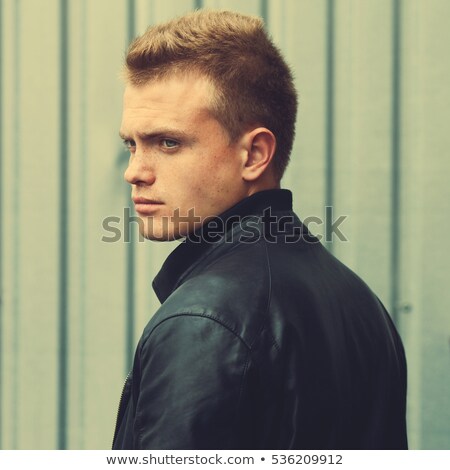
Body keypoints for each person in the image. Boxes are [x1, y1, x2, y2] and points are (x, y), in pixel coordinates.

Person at [112, 10, 408, 450]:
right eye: (131, 145)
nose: (134, 171)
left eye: (167, 142)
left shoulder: (202, 322)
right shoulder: (360, 304)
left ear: (254, 154)